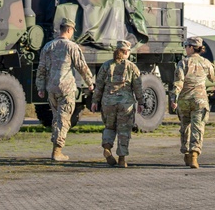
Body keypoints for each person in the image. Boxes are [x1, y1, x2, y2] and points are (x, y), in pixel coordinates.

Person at [36, 18, 95, 162]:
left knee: (57, 118)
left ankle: (56, 148)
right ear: (69, 30)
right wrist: (90, 82)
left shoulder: (48, 46)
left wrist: (40, 87)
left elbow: (41, 69)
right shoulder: (72, 47)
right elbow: (81, 66)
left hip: (52, 88)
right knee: (64, 120)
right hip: (66, 89)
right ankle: (57, 151)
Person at [91, 39, 144, 168]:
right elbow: (137, 87)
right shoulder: (132, 67)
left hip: (108, 102)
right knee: (124, 130)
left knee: (109, 127)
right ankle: (122, 159)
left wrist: (94, 101)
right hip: (125, 104)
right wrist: (141, 102)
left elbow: (99, 86)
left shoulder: (106, 65)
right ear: (126, 52)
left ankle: (107, 147)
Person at [169, 36, 215, 169]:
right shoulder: (206, 62)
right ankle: (194, 155)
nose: (185, 49)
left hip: (184, 100)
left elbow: (178, 82)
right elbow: (214, 77)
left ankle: (186, 152)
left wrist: (174, 99)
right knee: (198, 127)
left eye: (186, 46)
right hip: (200, 100)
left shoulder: (183, 63)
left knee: (185, 127)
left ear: (191, 47)